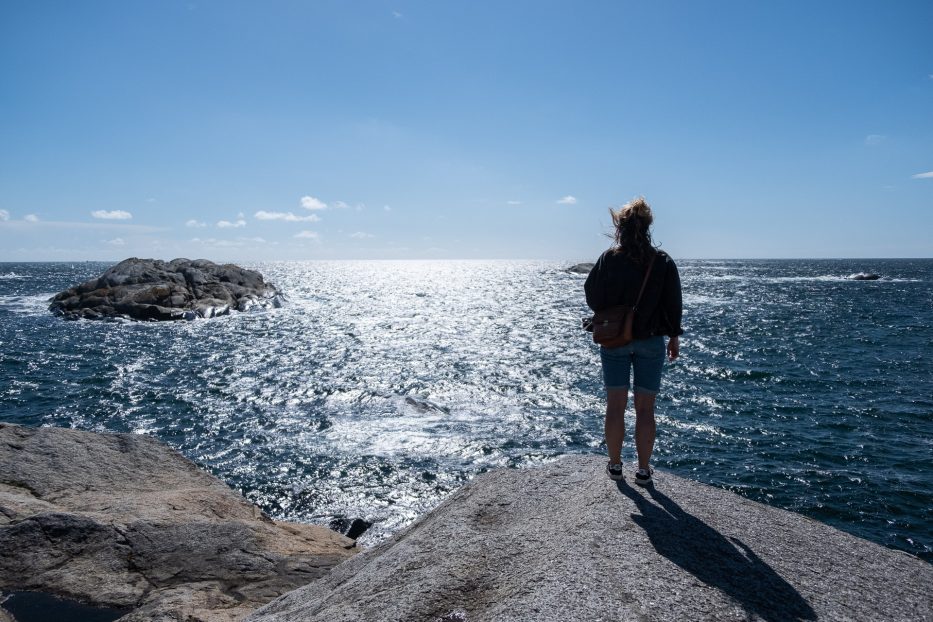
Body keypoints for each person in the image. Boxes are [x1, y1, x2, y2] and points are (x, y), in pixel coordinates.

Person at [584, 197, 683, 485]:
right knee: (645, 408)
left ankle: (615, 466)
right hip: (650, 341)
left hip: (614, 339)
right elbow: (673, 303)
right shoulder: (662, 261)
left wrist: (611, 310)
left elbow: (592, 294)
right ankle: (642, 470)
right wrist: (673, 336)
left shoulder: (609, 258)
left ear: (620, 227)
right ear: (648, 226)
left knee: (615, 406)